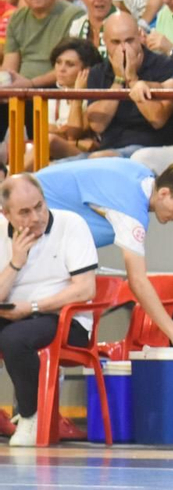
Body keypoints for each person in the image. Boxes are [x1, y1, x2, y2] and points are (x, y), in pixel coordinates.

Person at [37, 157, 173, 349]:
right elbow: (138, 281)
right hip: (22, 214)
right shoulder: (131, 211)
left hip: (26, 201)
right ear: (164, 193)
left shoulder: (140, 173)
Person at [0, 173, 98, 448]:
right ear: (6, 214)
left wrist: (31, 307)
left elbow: (85, 290)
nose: (36, 217)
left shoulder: (71, 225)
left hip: (66, 319)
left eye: (39, 206)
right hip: (13, 313)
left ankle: (31, 417)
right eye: (24, 212)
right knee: (14, 332)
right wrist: (16, 263)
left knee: (14, 338)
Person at [82, 12, 173, 152]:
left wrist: (132, 78)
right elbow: (98, 125)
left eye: (129, 41)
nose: (123, 48)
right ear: (105, 42)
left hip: (152, 149)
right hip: (108, 150)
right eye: (116, 42)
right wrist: (119, 80)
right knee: (52, 171)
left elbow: (157, 120)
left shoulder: (166, 66)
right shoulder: (97, 72)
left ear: (140, 36)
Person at [4, 0, 80, 84]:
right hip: (19, 94)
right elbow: (10, 67)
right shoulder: (16, 18)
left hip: (56, 92)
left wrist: (31, 84)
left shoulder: (74, 16)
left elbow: (70, 69)